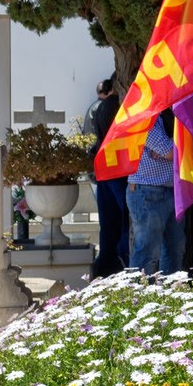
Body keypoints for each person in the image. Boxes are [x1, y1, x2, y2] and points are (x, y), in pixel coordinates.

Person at [126, 109, 184, 275]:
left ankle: (171, 296)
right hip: (147, 193)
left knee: (175, 250)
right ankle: (138, 299)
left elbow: (171, 150)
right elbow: (170, 152)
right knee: (147, 254)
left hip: (171, 190)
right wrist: (182, 143)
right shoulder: (143, 115)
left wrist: (176, 145)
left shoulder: (170, 114)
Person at [88, 76, 129, 278]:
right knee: (123, 219)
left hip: (105, 167)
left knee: (108, 221)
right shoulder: (118, 106)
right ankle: (119, 261)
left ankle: (105, 264)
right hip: (119, 170)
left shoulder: (102, 107)